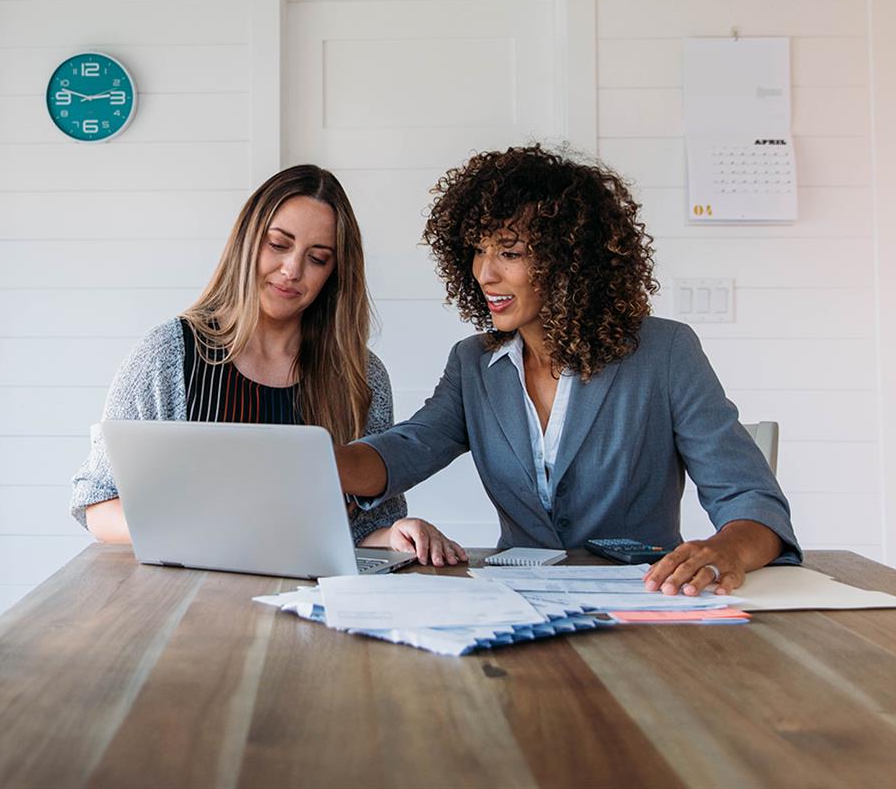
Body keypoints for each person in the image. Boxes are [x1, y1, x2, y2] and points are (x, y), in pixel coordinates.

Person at [336, 145, 800, 594]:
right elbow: (405, 451)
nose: (485, 273)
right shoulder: (473, 363)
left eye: (510, 253)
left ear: (572, 261)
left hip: (643, 605)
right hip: (518, 604)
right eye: (479, 250)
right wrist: (316, 462)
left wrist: (725, 550)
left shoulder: (665, 352)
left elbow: (752, 501)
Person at [71, 164, 466, 565]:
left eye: (317, 258)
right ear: (247, 243)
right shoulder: (169, 354)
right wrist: (208, 533)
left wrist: (396, 534)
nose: (292, 270)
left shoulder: (360, 375)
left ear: (335, 272)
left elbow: (362, 529)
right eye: (278, 245)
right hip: (190, 601)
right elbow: (99, 503)